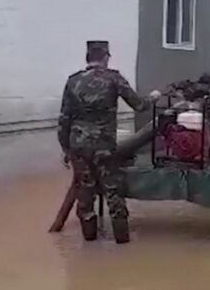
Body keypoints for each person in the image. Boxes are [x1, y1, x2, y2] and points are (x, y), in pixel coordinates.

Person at [57, 40, 161, 244]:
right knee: (113, 192)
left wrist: (65, 149)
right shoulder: (114, 79)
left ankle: (89, 243)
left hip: (78, 146)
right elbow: (139, 105)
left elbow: (64, 119)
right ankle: (122, 243)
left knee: (85, 193)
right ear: (105, 57)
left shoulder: (73, 81)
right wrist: (154, 97)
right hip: (104, 146)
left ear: (88, 57)